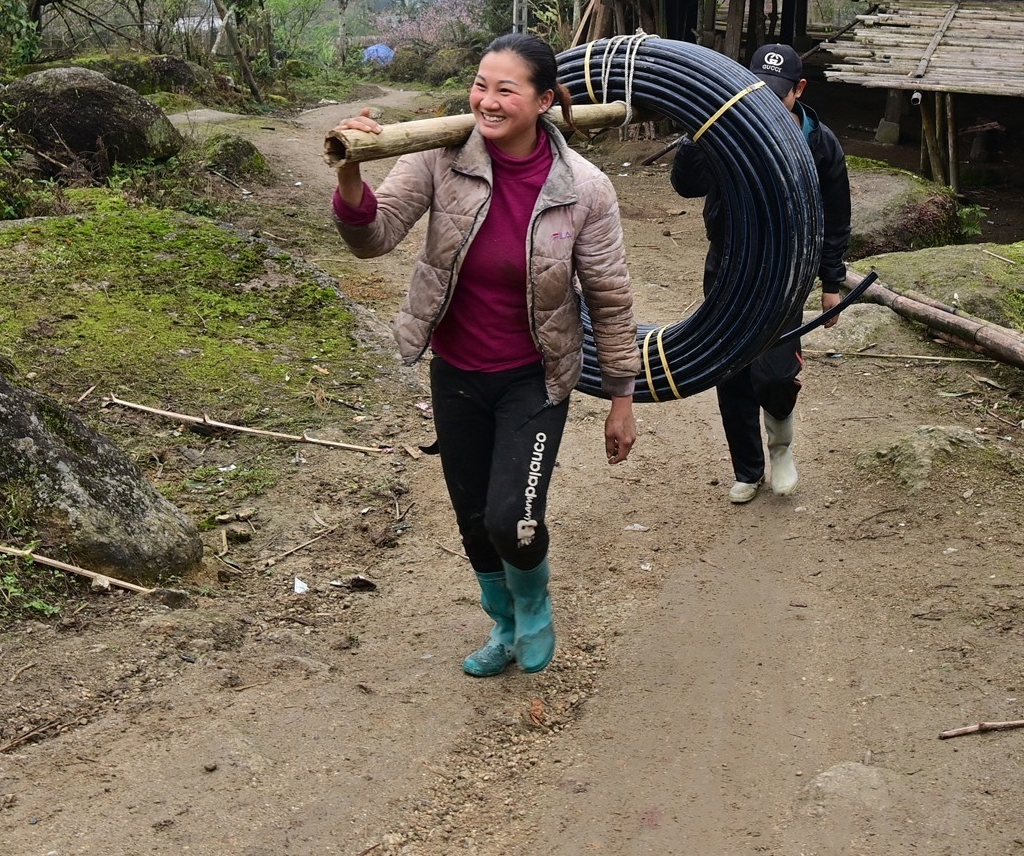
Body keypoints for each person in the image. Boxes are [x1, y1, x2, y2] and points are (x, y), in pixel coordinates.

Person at [329, 35, 638, 677]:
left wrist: (621, 401)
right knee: (473, 520)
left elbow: (609, 299)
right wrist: (350, 169)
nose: (486, 101)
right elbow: (375, 237)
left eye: (505, 89)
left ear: (544, 101)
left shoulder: (585, 189)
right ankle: (501, 623)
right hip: (458, 372)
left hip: (534, 378)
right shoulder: (440, 157)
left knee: (512, 519)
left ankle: (535, 608)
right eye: (479, 85)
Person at [671, 43, 852, 503]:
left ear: (800, 89)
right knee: (728, 370)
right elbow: (687, 186)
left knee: (772, 373)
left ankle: (781, 446)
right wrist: (698, 134)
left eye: (778, 93)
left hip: (785, 274)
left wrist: (832, 285)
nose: (768, 102)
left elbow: (836, 215)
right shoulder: (728, 131)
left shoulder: (818, 141)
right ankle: (748, 470)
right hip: (729, 265)